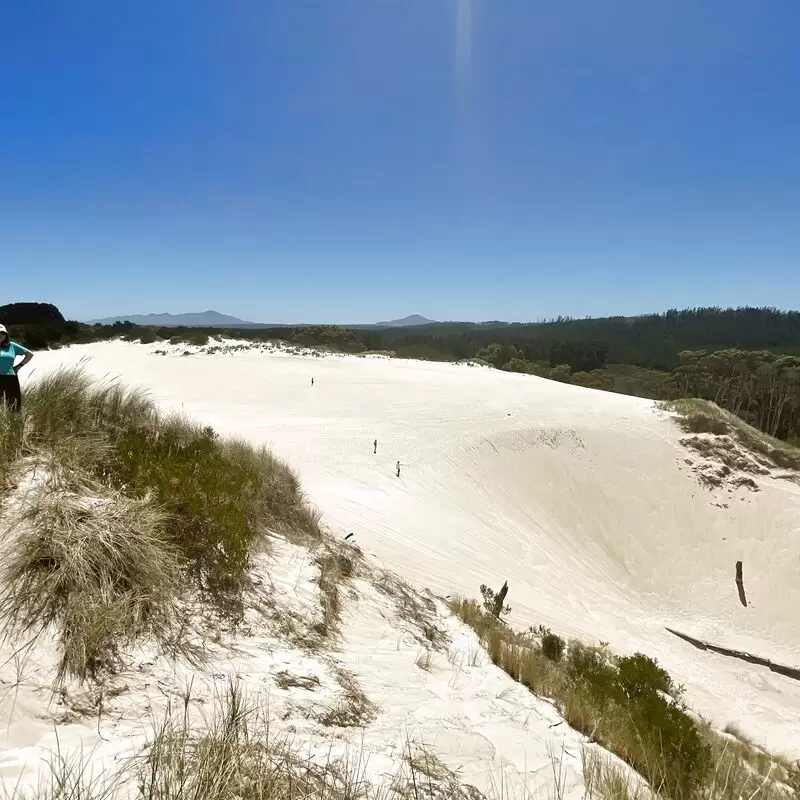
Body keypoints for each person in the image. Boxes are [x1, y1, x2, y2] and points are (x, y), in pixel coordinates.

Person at [0, 325, 33, 411]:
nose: (0, 334)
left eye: (2, 333)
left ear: (6, 335)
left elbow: (30, 354)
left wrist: (19, 366)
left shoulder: (12, 346)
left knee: (14, 407)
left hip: (11, 378)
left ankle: (14, 423)